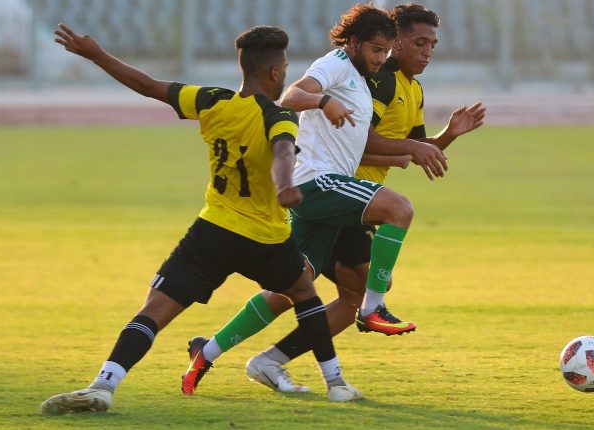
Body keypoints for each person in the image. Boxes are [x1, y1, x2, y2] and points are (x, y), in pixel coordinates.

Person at [40, 23, 361, 415]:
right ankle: (336, 384)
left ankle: (103, 386)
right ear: (276, 72)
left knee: (153, 310)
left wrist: (97, 55)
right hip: (265, 237)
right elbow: (282, 152)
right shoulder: (279, 116)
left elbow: (148, 86)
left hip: (213, 232)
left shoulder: (211, 100)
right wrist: (283, 187)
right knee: (304, 293)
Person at [180, 2, 450, 395]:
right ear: (353, 43)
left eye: (385, 52)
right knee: (399, 209)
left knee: (292, 287)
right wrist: (324, 101)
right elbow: (291, 95)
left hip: (323, 192)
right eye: (376, 50)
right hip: (317, 182)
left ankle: (208, 351)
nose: (381, 59)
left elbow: (370, 143)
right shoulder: (336, 63)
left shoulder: (362, 80)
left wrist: (416, 146)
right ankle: (372, 308)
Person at [240, 3, 486, 393]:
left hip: (356, 200)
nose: (427, 52)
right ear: (396, 42)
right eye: (419, 42)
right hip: (346, 194)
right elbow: (364, 143)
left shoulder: (411, 88)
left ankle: (238, 354)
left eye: (433, 45)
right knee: (344, 283)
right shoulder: (378, 81)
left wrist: (449, 135)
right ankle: (349, 326)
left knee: (307, 286)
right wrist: (405, 149)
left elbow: (415, 148)